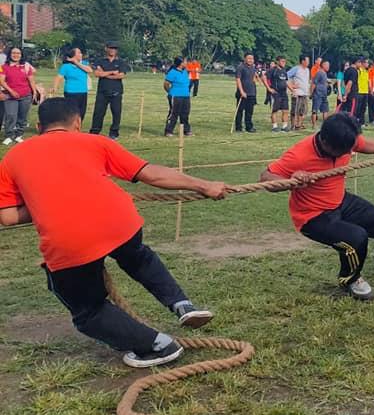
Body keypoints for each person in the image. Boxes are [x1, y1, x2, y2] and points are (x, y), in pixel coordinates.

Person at [0, 98, 227, 367]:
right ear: (77, 123)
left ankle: (158, 345)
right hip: (120, 221)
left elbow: (8, 216)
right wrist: (203, 185)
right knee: (139, 258)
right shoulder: (96, 142)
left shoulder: (12, 157)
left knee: (88, 311)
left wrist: (40, 201)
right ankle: (182, 305)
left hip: (70, 241)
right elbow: (151, 174)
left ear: (39, 126)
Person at [260, 114, 374, 300]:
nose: (350, 151)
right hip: (312, 216)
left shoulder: (345, 139)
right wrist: (292, 181)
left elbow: (366, 145)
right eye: (344, 150)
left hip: (340, 201)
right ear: (325, 141)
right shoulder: (299, 155)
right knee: (356, 239)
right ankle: (350, 279)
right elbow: (265, 178)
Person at [89, 42, 130, 139]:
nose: (113, 50)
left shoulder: (121, 62)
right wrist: (112, 72)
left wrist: (105, 74)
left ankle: (114, 133)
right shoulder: (100, 61)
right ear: (106, 48)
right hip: (102, 91)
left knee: (116, 113)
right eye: (111, 48)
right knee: (98, 112)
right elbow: (97, 74)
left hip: (116, 91)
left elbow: (121, 75)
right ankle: (95, 131)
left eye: (115, 48)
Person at [1, 47, 38, 145]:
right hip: (10, 96)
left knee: (22, 116)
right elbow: (1, 80)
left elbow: (31, 80)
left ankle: (19, 135)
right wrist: (11, 91)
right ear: (10, 54)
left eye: (18, 53)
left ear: (21, 55)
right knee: (10, 115)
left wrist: (34, 92)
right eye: (13, 53)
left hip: (26, 96)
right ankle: (9, 135)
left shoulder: (26, 66)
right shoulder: (4, 66)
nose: (16, 55)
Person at [52, 47, 92, 121]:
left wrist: (76, 62)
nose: (81, 54)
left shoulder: (84, 64)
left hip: (83, 92)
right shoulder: (66, 66)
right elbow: (58, 77)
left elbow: (89, 70)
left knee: (81, 112)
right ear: (73, 55)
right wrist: (55, 87)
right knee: (71, 112)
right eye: (79, 53)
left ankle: (78, 128)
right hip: (71, 92)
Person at [163, 57, 192, 137]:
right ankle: (168, 131)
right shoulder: (172, 72)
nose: (186, 63)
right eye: (185, 62)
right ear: (181, 63)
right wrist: (171, 92)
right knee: (174, 113)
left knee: (185, 114)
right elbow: (166, 84)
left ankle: (186, 130)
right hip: (175, 96)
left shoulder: (185, 71)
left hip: (186, 96)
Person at [234, 53, 260, 133]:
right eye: (248, 58)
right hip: (242, 93)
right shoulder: (240, 67)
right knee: (240, 111)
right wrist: (241, 91)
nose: (250, 60)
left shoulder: (253, 68)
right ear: (245, 59)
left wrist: (256, 80)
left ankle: (249, 127)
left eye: (252, 58)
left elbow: (254, 77)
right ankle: (238, 127)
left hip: (251, 93)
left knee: (249, 111)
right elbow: (238, 80)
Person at [265, 56, 290, 132]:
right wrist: (269, 88)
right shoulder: (273, 70)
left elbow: (285, 82)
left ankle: (284, 126)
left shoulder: (284, 71)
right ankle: (274, 126)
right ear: (278, 62)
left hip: (283, 93)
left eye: (284, 62)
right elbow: (264, 77)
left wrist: (292, 89)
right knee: (275, 110)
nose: (284, 63)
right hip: (276, 93)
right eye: (282, 61)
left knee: (285, 110)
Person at [288, 55, 311, 131]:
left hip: (304, 93)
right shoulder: (296, 69)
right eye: (307, 61)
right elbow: (285, 76)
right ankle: (293, 125)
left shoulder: (307, 70)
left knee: (302, 110)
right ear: (303, 61)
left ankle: (299, 124)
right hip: (297, 93)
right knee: (295, 110)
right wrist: (292, 86)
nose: (308, 62)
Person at [310, 59, 331, 128]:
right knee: (315, 110)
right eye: (327, 65)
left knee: (325, 110)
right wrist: (311, 93)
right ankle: (314, 125)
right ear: (323, 65)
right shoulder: (319, 73)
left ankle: (325, 125)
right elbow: (314, 84)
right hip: (317, 94)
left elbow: (323, 83)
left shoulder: (324, 73)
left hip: (324, 95)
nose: (328, 66)